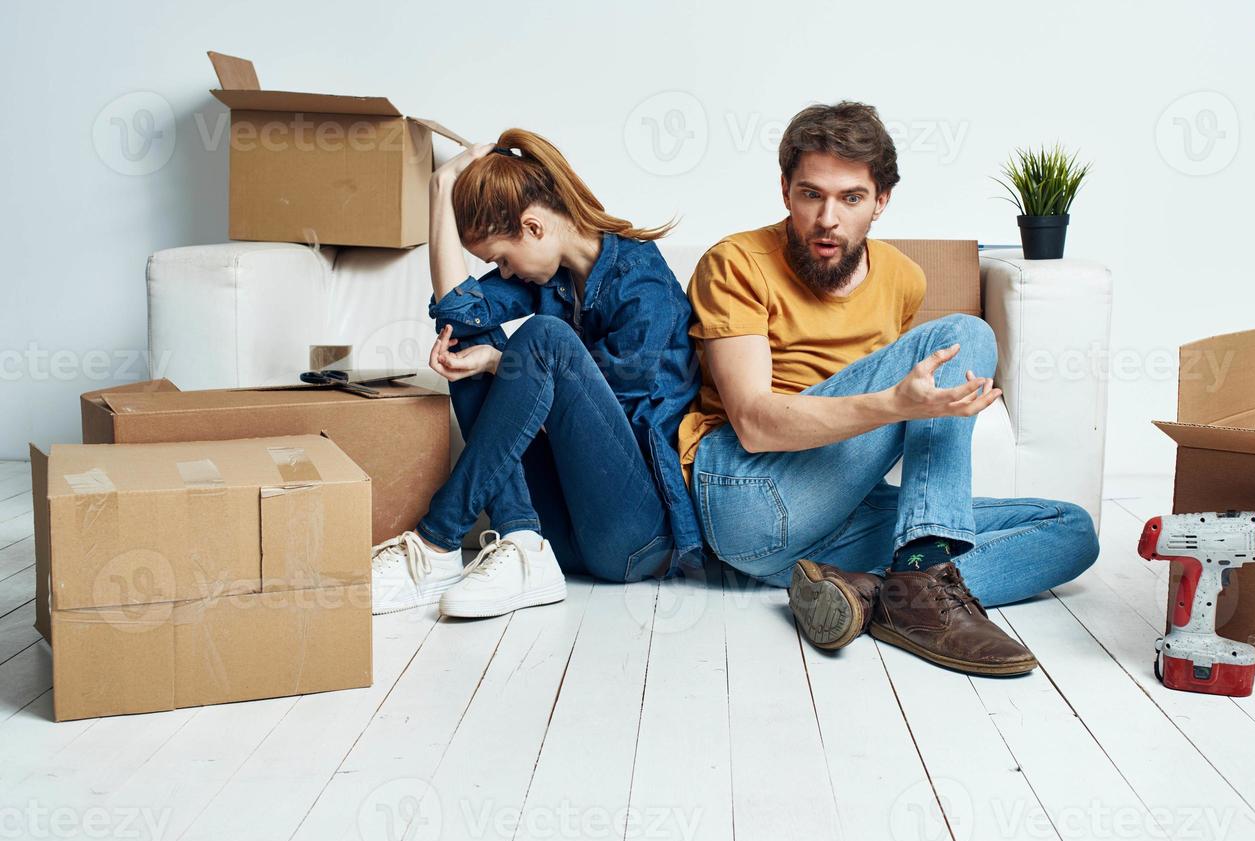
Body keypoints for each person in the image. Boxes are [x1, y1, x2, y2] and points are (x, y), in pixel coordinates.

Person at [678, 102, 1100, 676]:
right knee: (964, 334)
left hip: (831, 519)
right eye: (811, 194)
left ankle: (884, 590)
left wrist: (930, 406)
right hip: (746, 496)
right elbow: (753, 424)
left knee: (1071, 531)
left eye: (851, 198)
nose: (828, 218)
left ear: (881, 201)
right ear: (784, 191)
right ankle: (920, 584)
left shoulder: (902, 276)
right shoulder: (737, 262)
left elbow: (904, 426)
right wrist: (896, 405)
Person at [371, 129, 703, 617]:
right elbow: (458, 314)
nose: (504, 274)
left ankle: (435, 541)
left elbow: (600, 406)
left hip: (634, 535)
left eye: (502, 260)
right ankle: (523, 545)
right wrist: (440, 188)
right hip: (562, 532)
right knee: (470, 341)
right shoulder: (555, 280)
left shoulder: (642, 284)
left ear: (534, 227)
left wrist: (501, 363)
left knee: (543, 339)